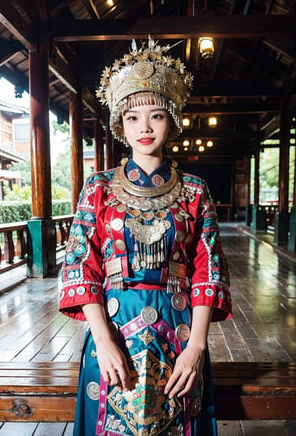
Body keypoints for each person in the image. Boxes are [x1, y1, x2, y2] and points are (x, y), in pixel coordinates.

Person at [59, 37, 232, 436]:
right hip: (113, 330)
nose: (145, 127)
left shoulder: (195, 189)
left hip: (180, 330)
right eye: (133, 117)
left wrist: (197, 348)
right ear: (120, 123)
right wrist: (101, 341)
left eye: (156, 116)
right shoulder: (98, 188)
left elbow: (208, 271)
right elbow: (80, 267)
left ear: (172, 119)